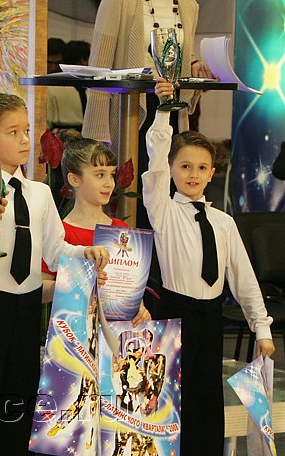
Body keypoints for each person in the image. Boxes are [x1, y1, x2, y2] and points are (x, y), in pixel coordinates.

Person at [0, 93, 110, 455]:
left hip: (28, 306)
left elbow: (54, 250)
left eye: (26, 131)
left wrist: (84, 253)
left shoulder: (39, 193)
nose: (25, 140)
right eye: (13, 132)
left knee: (23, 391)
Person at [143, 79, 275, 455]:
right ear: (171, 169)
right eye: (185, 166)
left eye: (202, 167)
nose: (193, 174)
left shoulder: (224, 222)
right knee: (170, 403)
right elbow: (155, 159)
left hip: (210, 318)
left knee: (206, 404)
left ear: (212, 172)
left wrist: (261, 328)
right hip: (174, 315)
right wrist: (164, 111)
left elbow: (244, 280)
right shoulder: (163, 211)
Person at [82, 0, 214, 230]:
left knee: (171, 189)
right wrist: (97, 134)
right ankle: (134, 250)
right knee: (136, 191)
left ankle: (167, 250)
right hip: (131, 109)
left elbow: (181, 51)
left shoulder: (189, 6)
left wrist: (194, 62)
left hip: (171, 106)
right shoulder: (119, 3)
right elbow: (99, 64)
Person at [40, 138, 151, 326]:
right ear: (74, 179)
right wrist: (77, 282)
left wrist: (139, 309)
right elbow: (41, 289)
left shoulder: (121, 230)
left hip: (116, 331)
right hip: (73, 331)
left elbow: (129, 287)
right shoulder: (59, 232)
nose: (109, 183)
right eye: (100, 175)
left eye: (111, 174)